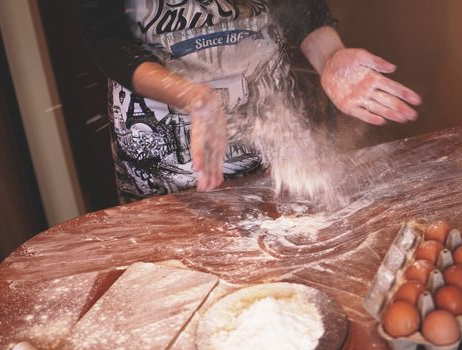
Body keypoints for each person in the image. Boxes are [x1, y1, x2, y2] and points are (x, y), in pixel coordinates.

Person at [74, 0, 422, 203]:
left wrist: (329, 56)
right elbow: (104, 39)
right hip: (166, 136)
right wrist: (190, 96)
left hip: (271, 123)